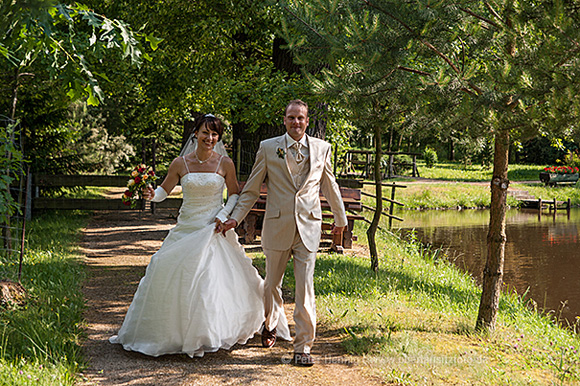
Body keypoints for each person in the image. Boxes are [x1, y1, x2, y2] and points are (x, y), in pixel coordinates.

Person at [109, 114, 290, 358]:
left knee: (209, 279)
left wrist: (224, 215)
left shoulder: (225, 163)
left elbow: (235, 194)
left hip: (213, 227)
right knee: (163, 265)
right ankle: (170, 333)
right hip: (187, 226)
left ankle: (209, 332)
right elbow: (164, 190)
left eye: (215, 134)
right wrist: (152, 195)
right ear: (195, 133)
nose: (210, 138)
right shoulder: (180, 163)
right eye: (206, 132)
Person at [220, 100, 348, 367]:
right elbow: (252, 189)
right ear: (285, 120)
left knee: (305, 289)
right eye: (291, 118)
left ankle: (303, 347)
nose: (296, 122)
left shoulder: (322, 149)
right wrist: (235, 218)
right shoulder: (268, 148)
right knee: (271, 285)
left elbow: (330, 184)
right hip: (277, 226)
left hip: (309, 229)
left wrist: (340, 218)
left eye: (301, 118)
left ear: (308, 120)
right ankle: (270, 323)